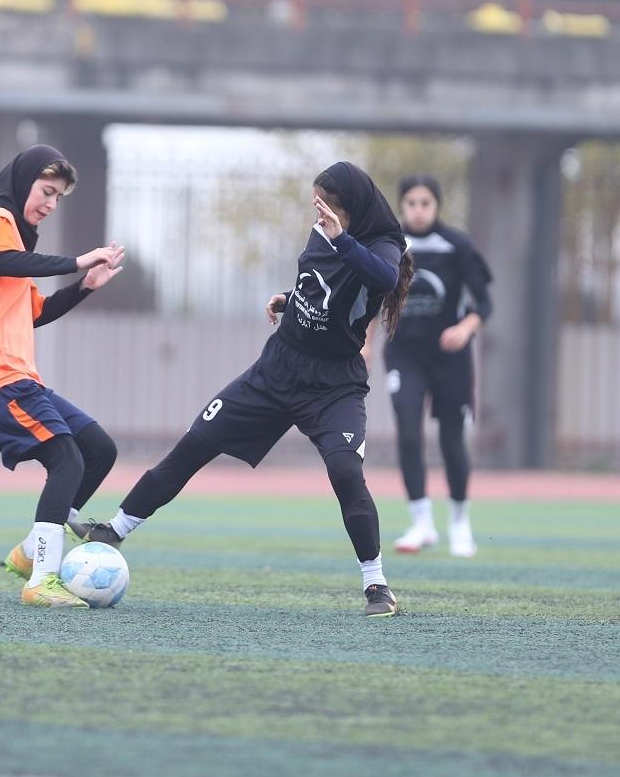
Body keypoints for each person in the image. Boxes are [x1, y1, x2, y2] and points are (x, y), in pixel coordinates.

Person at [74, 161, 415, 617]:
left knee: (346, 473)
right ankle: (116, 528)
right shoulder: (324, 232)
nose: (321, 217)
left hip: (333, 385)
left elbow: (383, 279)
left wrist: (340, 238)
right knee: (196, 441)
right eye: (317, 208)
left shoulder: (382, 244)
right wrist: (291, 299)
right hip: (277, 370)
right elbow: (323, 287)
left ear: (352, 208)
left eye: (329, 209)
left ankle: (377, 586)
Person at [0, 144, 126, 607]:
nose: (51, 204)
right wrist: (77, 261)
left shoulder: (14, 244)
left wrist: (83, 287)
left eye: (58, 197)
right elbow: (1, 261)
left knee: (98, 449)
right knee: (66, 459)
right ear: (22, 181)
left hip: (19, 377)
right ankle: (41, 581)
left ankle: (33, 551)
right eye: (47, 191)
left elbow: (37, 313)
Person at [385, 175, 493, 558]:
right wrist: (363, 343)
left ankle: (460, 522)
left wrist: (465, 328)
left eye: (425, 203)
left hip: (450, 359)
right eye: (411, 203)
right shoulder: (388, 245)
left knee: (452, 440)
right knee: (408, 433)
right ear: (402, 205)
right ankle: (421, 523)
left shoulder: (457, 246)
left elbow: (484, 303)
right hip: (404, 355)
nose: (418, 210)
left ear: (437, 205)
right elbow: (368, 296)